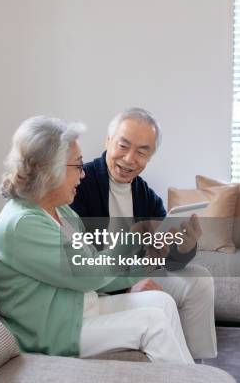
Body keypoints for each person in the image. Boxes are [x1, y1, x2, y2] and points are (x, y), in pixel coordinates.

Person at [0, 116, 194, 364]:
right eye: (77, 166)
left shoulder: (61, 211)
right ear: (50, 170)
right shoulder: (23, 223)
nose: (83, 174)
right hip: (52, 332)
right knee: (153, 324)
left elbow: (94, 269)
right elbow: (91, 274)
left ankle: (191, 374)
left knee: (161, 302)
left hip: (77, 309)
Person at [70, 107, 217, 360]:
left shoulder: (144, 193)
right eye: (123, 146)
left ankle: (197, 362)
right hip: (102, 286)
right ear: (108, 141)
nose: (129, 159)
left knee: (200, 278)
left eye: (141, 152)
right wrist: (128, 287)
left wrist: (183, 246)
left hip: (136, 275)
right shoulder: (79, 186)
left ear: (151, 156)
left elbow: (166, 256)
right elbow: (83, 261)